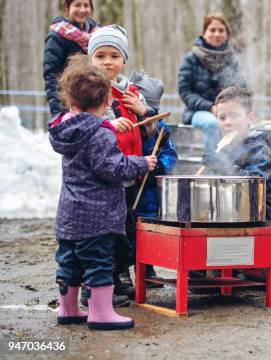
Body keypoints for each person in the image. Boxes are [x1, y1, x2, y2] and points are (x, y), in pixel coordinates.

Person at [48, 55, 156, 330]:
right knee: (99, 264)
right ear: (107, 102)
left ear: (72, 101)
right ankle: (100, 312)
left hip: (69, 216)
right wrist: (141, 162)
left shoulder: (67, 128)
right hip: (96, 217)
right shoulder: (99, 133)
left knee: (69, 263)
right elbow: (113, 167)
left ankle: (69, 308)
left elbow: (93, 150)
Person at [87, 25, 154, 301]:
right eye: (100, 55)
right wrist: (109, 124)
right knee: (103, 232)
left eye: (114, 56)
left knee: (124, 228)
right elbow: (81, 128)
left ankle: (118, 277)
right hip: (102, 177)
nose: (107, 62)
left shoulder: (132, 92)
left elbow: (149, 131)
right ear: (91, 59)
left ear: (124, 59)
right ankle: (98, 284)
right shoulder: (87, 91)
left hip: (128, 172)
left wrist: (145, 111)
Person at [205, 87, 271, 224]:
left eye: (234, 115)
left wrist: (222, 164)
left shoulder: (261, 147)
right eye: (222, 118)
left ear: (250, 118)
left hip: (259, 218)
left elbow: (251, 185)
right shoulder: (223, 148)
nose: (228, 122)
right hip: (227, 215)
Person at [131, 70, 178, 286]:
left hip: (150, 188)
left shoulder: (160, 129)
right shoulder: (127, 126)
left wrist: (159, 166)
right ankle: (122, 271)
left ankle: (147, 268)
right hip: (129, 184)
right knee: (128, 229)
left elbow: (170, 155)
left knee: (149, 227)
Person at [178, 13, 246, 159]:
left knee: (243, 122)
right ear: (204, 33)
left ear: (227, 34)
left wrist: (230, 107)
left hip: (227, 110)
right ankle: (212, 167)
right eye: (212, 30)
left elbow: (241, 88)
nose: (217, 34)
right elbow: (185, 92)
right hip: (198, 111)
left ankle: (238, 167)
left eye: (221, 30)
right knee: (213, 123)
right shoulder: (191, 59)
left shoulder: (232, 60)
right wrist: (210, 107)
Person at [44, 0, 99, 117]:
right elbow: (51, 75)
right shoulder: (56, 35)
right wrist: (58, 112)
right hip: (68, 105)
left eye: (86, 5)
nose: (82, 9)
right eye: (77, 5)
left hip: (95, 103)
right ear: (67, 7)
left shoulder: (97, 34)